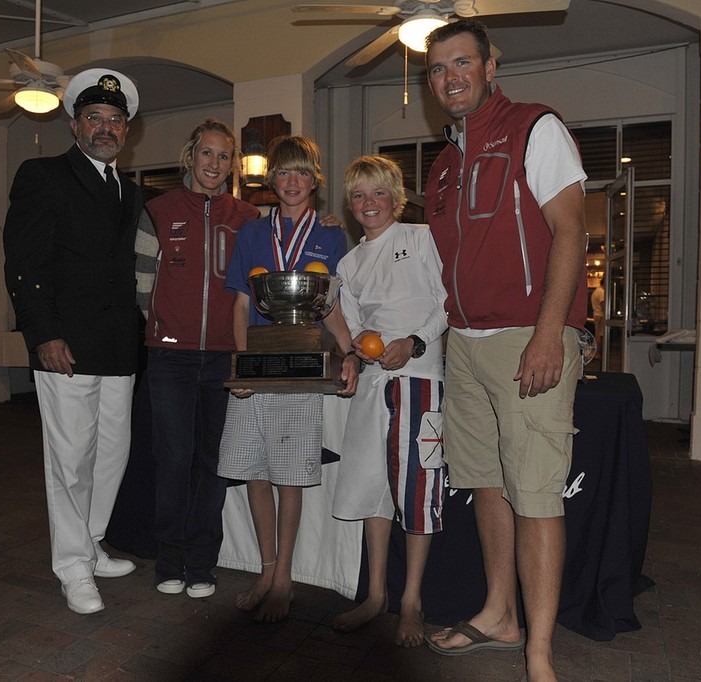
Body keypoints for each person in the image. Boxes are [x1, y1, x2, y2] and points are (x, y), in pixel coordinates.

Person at [422, 20, 588, 682]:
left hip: (528, 336)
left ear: (491, 65)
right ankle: (499, 615)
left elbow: (571, 230)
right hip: (463, 342)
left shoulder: (533, 127)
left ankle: (540, 656)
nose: (449, 77)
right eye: (436, 69)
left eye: (461, 62)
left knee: (537, 494)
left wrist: (551, 331)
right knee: (484, 483)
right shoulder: (442, 163)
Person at [3, 67, 145, 615]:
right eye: (95, 119)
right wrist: (43, 334)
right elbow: (24, 262)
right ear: (74, 126)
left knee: (112, 453)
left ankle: (90, 541)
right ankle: (71, 566)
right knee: (69, 459)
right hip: (66, 343)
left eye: (115, 121)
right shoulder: (42, 176)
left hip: (116, 344)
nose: (106, 128)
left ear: (125, 131)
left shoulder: (131, 192)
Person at [217, 135, 359, 623]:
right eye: (283, 174)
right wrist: (240, 365)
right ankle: (265, 568)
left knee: (289, 474)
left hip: (300, 368)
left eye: (301, 173)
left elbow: (332, 305)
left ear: (315, 180)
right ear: (271, 181)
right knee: (255, 472)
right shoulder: (253, 232)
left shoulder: (332, 235)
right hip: (257, 364)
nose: (292, 182)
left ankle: (284, 579)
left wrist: (351, 354)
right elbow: (240, 303)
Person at [134, 119, 260, 600]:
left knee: (212, 462)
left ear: (232, 164)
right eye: (207, 154)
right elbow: (141, 283)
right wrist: (165, 326)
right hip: (170, 359)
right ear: (190, 156)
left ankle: (202, 563)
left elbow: (261, 277)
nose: (215, 164)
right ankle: (169, 558)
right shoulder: (159, 210)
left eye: (224, 157)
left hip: (224, 360)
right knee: (172, 460)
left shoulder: (248, 215)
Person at [330, 156, 448, 647]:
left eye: (377, 193)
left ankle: (411, 602)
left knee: (417, 494)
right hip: (375, 385)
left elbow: (447, 301)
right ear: (351, 205)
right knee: (374, 489)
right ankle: (376, 595)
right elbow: (355, 327)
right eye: (359, 196)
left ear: (395, 198)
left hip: (420, 380)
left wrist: (414, 344)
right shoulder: (348, 262)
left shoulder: (421, 239)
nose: (368, 203)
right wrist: (357, 352)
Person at [591, 277, 606, 354]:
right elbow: (603, 305)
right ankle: (597, 353)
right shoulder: (601, 292)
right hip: (600, 315)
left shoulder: (596, 291)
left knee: (597, 334)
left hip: (596, 314)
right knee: (600, 335)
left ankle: (596, 353)